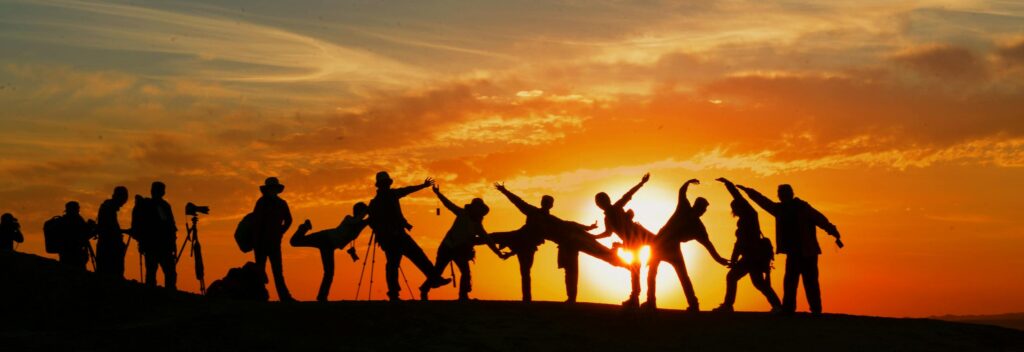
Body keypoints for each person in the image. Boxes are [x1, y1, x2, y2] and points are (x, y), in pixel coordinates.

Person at [492, 182, 624, 302]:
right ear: (543, 202)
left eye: (549, 202)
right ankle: (543, 299)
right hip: (535, 240)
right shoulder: (533, 212)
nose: (547, 203)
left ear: (551, 205)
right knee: (496, 239)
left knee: (584, 262)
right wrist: (504, 191)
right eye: (546, 201)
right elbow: (518, 202)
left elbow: (569, 224)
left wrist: (588, 228)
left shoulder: (551, 219)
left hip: (567, 242)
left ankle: (567, 299)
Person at [738, 183, 843, 315]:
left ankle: (812, 310)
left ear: (790, 194)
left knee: (806, 282)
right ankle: (791, 309)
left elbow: (820, 219)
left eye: (784, 193)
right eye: (781, 194)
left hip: (807, 252)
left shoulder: (801, 208)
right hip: (796, 252)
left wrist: (833, 231)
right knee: (792, 282)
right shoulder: (781, 209)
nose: (782, 196)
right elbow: (763, 201)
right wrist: (749, 191)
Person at [645, 178, 730, 311]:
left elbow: (708, 245)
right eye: (702, 208)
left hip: (671, 247)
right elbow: (681, 192)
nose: (703, 211)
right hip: (660, 244)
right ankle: (651, 301)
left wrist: (719, 259)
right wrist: (688, 182)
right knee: (652, 273)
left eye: (704, 209)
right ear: (696, 206)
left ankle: (693, 304)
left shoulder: (698, 228)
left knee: (682, 276)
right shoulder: (684, 208)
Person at [367, 171, 450, 301]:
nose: (386, 185)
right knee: (413, 258)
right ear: (383, 184)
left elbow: (372, 222)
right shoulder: (386, 197)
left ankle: (396, 293)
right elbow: (406, 191)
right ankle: (432, 280)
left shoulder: (376, 202)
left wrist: (423, 186)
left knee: (398, 263)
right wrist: (423, 186)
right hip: (395, 237)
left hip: (393, 237)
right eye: (385, 183)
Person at [423, 185, 509, 301]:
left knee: (465, 273)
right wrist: (438, 193)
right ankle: (424, 289)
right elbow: (448, 204)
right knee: (438, 271)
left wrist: (498, 253)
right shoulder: (462, 213)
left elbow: (488, 240)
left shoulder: (478, 226)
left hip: (459, 250)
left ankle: (463, 296)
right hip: (447, 247)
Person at [711, 178, 781, 313]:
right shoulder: (744, 220)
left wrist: (728, 184)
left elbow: (738, 197)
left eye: (735, 207)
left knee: (733, 277)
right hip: (752, 256)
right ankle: (778, 306)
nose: (735, 210)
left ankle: (728, 305)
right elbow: (738, 243)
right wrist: (734, 258)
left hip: (752, 256)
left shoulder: (750, 216)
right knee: (758, 283)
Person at [592, 173, 655, 308]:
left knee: (639, 267)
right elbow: (608, 233)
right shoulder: (607, 218)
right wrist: (594, 236)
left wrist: (641, 183)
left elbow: (628, 194)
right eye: (599, 202)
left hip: (639, 237)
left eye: (601, 201)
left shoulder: (616, 207)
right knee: (635, 269)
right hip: (632, 243)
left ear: (606, 201)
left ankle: (642, 299)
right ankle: (636, 298)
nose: (601, 204)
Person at [289, 202, 371, 302]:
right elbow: (356, 220)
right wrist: (366, 211)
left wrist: (372, 211)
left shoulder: (361, 223)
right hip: (325, 237)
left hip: (329, 245)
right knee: (294, 242)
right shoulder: (348, 218)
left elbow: (369, 220)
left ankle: (322, 297)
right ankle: (304, 227)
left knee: (329, 272)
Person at [251, 177, 295, 301]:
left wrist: (280, 232)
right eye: (271, 188)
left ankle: (283, 297)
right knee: (261, 271)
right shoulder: (263, 203)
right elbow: (256, 223)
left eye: (273, 188)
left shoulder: (280, 203)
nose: (272, 190)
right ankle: (259, 297)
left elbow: (289, 220)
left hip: (272, 242)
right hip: (262, 242)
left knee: (277, 271)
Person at [134, 182, 178, 290]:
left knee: (153, 272)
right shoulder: (161, 206)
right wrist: (173, 243)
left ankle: (153, 294)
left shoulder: (148, 205)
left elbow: (170, 226)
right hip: (160, 245)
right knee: (166, 272)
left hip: (153, 245)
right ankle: (167, 294)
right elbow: (169, 226)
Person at [96, 186, 131, 279]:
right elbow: (110, 228)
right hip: (109, 247)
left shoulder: (107, 207)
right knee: (112, 274)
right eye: (124, 199)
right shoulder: (109, 208)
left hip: (105, 245)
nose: (124, 203)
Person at [57, 202, 96, 270]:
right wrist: (90, 228)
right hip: (75, 254)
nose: (78, 210)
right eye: (77, 208)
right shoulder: (76, 219)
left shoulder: (63, 220)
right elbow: (84, 236)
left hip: (64, 254)